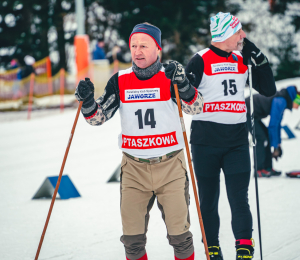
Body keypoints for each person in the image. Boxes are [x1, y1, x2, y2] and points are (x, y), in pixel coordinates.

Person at [75, 22, 204, 260]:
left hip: (170, 166)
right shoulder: (120, 80)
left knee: (180, 237)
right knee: (132, 241)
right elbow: (98, 117)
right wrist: (88, 102)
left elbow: (196, 107)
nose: (137, 51)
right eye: (133, 45)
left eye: (144, 45)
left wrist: (184, 84)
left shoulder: (170, 75)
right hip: (134, 169)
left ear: (158, 48)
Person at [185, 12, 276, 260]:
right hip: (205, 141)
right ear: (225, 34)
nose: (243, 36)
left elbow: (269, 89)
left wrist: (258, 57)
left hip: (236, 141)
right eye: (239, 31)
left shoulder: (242, 59)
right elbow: (183, 99)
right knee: (209, 199)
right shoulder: (199, 60)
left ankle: (244, 248)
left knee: (239, 197)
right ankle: (212, 246)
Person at [245, 86, 300, 177]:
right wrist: (275, 147)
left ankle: (267, 168)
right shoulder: (281, 101)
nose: (298, 108)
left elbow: (277, 125)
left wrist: (277, 145)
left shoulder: (283, 100)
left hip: (254, 115)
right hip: (246, 112)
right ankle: (259, 170)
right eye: (299, 104)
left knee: (266, 135)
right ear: (295, 100)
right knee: (261, 137)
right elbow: (273, 125)